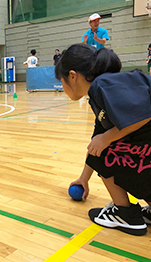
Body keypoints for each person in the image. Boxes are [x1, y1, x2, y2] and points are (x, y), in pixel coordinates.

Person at [55, 43, 151, 236]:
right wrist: (84, 179)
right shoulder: (107, 88)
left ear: (72, 76)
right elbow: (96, 142)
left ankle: (124, 213)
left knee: (106, 149)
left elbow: (145, 115)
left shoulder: (102, 86)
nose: (63, 87)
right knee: (102, 145)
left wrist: (107, 137)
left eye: (62, 81)